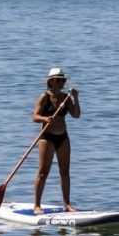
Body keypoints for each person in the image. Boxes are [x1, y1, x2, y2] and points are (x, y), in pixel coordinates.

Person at [32, 67, 81, 214]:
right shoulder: (44, 97)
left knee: (65, 172)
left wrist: (75, 98)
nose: (61, 83)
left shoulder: (66, 97)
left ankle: (67, 204)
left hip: (63, 137)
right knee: (43, 172)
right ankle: (37, 205)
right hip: (47, 138)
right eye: (58, 80)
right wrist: (45, 118)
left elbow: (76, 115)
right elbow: (34, 116)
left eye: (63, 80)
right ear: (51, 82)